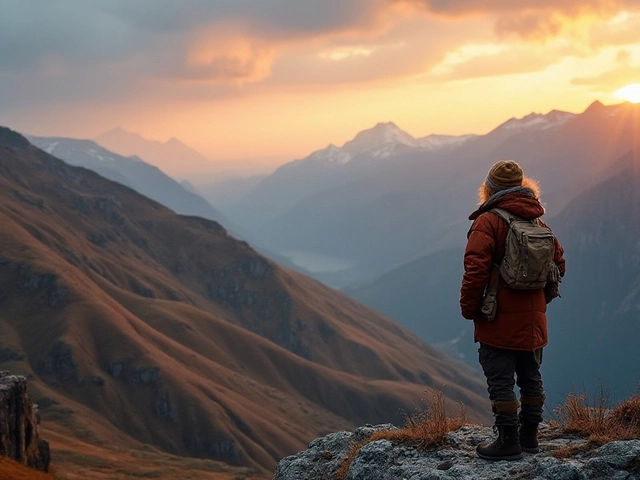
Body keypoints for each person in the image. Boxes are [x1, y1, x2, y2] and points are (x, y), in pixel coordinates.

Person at [460, 160, 566, 461]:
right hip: (535, 319)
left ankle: (508, 441)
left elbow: (475, 270)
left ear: (489, 189)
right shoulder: (538, 221)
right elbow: (559, 265)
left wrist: (470, 308)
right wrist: (538, 298)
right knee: (531, 375)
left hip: (498, 318)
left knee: (501, 379)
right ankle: (529, 437)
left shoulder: (488, 221)